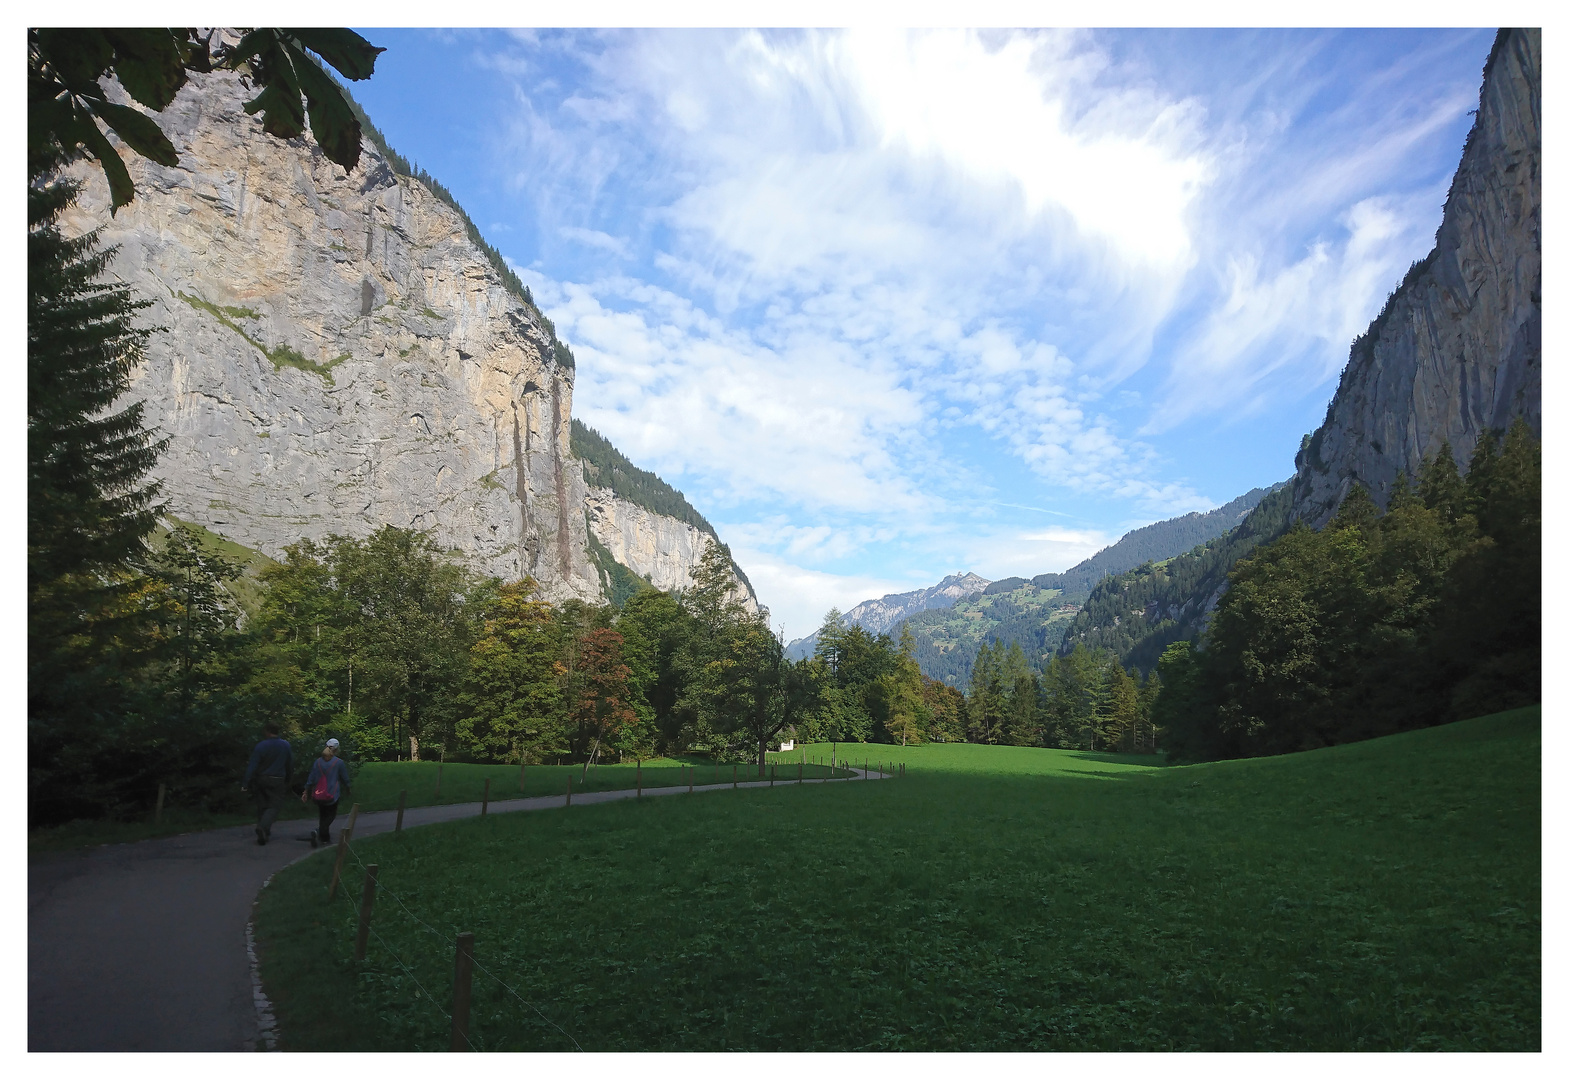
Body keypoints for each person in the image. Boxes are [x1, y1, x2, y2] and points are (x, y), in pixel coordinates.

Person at [241, 721, 293, 846]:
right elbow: (289, 764)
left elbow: (253, 765)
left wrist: (245, 783)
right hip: (277, 779)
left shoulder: (261, 746)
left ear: (267, 731)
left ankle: (264, 832)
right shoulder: (285, 745)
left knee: (262, 805)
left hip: (262, 778)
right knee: (274, 806)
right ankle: (263, 827)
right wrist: (289, 779)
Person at [301, 738, 351, 848]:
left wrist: (306, 791)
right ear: (337, 749)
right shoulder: (339, 763)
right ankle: (318, 831)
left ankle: (325, 838)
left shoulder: (318, 762)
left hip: (318, 794)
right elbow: (345, 778)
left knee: (322, 815)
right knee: (331, 816)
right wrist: (348, 789)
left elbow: (311, 778)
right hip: (332, 794)